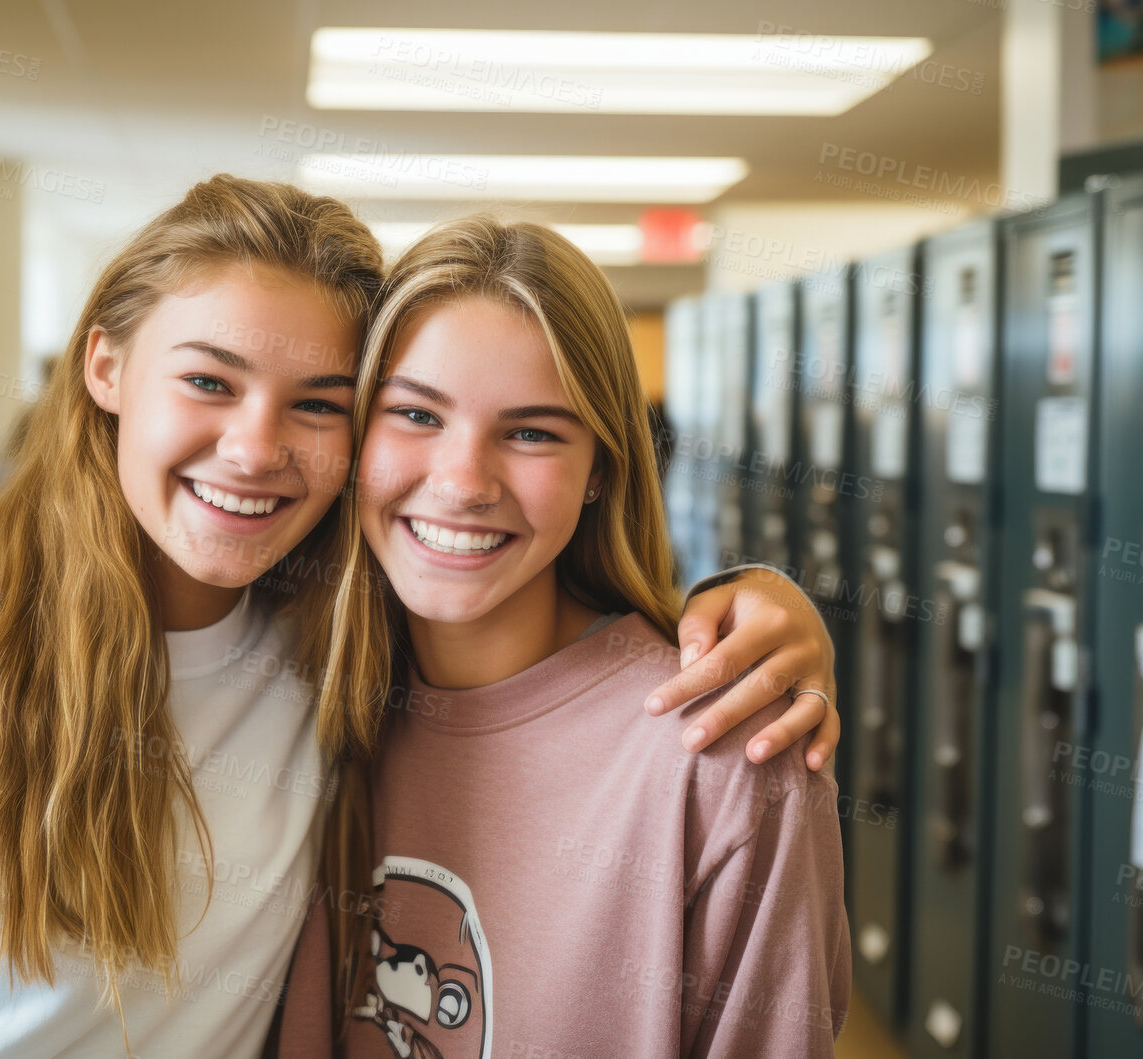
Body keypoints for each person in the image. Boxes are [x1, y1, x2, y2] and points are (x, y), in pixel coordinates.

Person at [0, 177, 837, 1059]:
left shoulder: (328, 669)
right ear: (104, 369)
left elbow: (543, 671)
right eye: (206, 379)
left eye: (317, 402)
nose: (254, 450)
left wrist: (757, 600)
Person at [279, 217, 851, 1057]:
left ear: (600, 473)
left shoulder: (720, 756)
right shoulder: (293, 697)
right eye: (413, 412)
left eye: (533, 431)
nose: (463, 482)